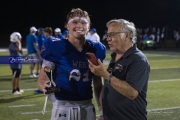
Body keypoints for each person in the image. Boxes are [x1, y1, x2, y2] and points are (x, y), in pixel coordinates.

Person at [37, 8, 106, 120]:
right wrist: (45, 87)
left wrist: (102, 112)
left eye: (83, 22)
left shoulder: (96, 49)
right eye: (74, 22)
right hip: (62, 107)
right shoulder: (55, 47)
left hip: (87, 107)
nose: (79, 25)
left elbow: (98, 84)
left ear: (88, 27)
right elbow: (41, 79)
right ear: (67, 26)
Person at [88, 19, 150, 120]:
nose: (108, 38)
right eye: (107, 35)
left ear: (126, 35)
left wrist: (106, 75)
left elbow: (132, 92)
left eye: (112, 34)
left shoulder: (138, 59)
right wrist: (103, 113)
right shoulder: (115, 56)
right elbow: (108, 87)